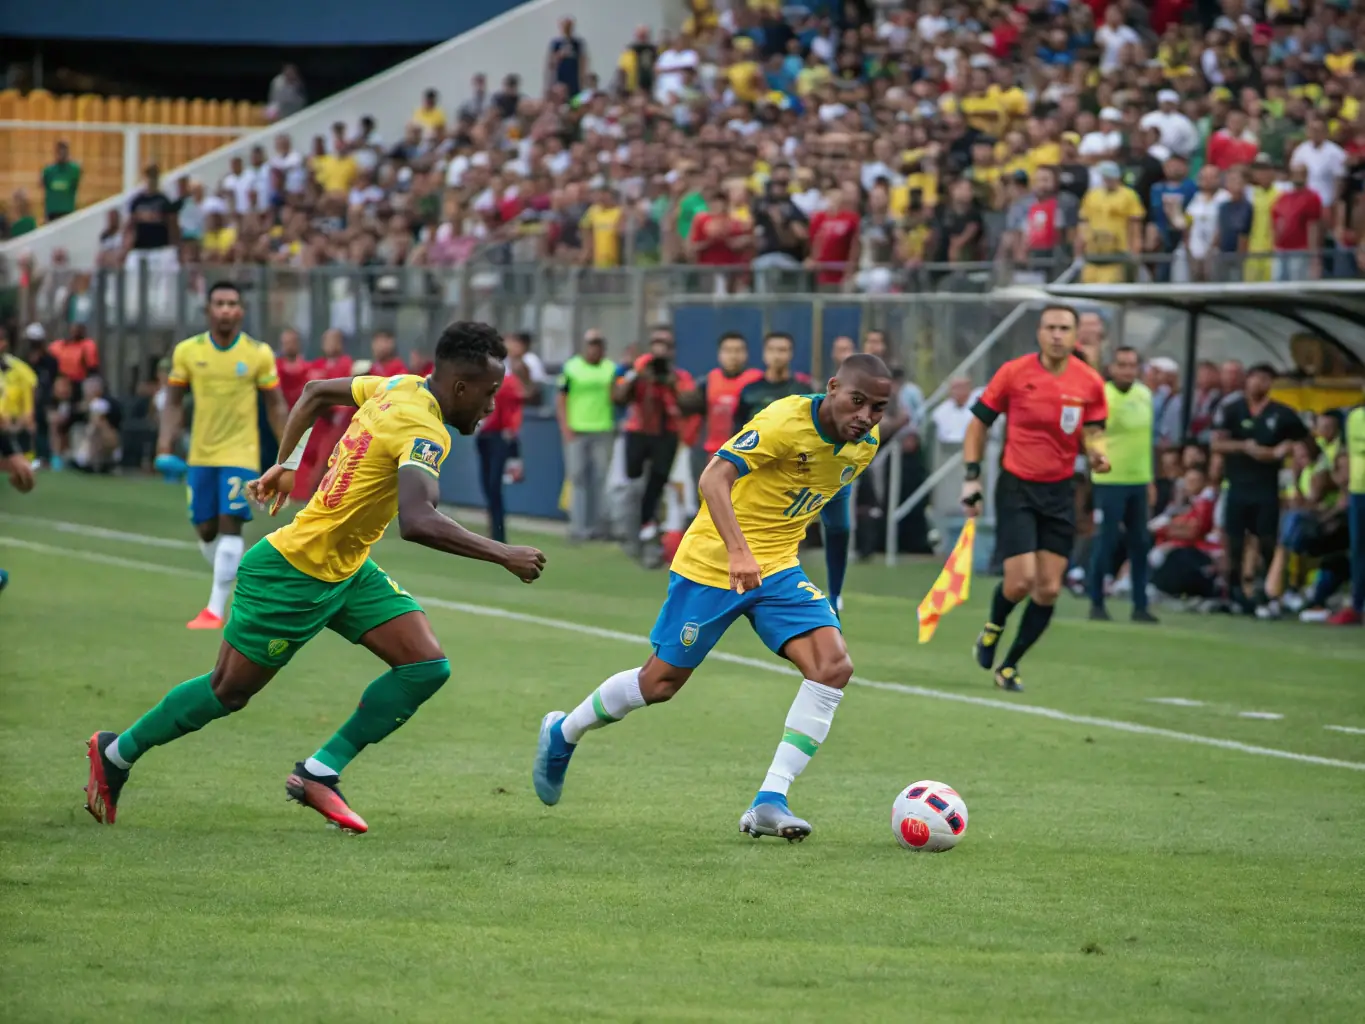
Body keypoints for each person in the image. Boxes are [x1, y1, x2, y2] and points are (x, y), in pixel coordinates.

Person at [84, 322, 547, 832]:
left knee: (425, 666)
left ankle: (319, 773)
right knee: (227, 692)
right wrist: (504, 553)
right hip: (294, 572)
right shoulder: (423, 430)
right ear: (461, 387)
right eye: (490, 393)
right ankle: (116, 751)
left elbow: (314, 393)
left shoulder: (399, 384)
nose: (491, 405)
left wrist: (287, 463)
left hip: (346, 567)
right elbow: (417, 521)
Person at [533, 355, 893, 841]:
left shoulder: (864, 443)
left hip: (779, 570)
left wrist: (838, 589)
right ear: (832, 388)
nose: (866, 416)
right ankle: (564, 732)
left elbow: (836, 508)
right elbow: (712, 478)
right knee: (659, 684)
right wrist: (739, 552)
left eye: (878, 408)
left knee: (833, 667)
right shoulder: (784, 421)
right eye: (858, 402)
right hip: (713, 563)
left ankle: (770, 800)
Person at [962, 306, 1109, 692]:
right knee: (1021, 580)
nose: (1057, 335)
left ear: (1076, 335)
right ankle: (993, 628)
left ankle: (1009, 666)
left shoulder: (1090, 382)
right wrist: (971, 477)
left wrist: (1098, 452)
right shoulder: (1014, 372)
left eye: (1065, 328)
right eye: (1050, 327)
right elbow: (978, 424)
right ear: (1039, 333)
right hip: (1017, 486)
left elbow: (1093, 430)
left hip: (1060, 490)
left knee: (1048, 589)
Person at [155, 282, 288, 630]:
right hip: (200, 453)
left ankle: (215, 610)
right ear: (208, 310)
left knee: (231, 522)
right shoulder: (187, 351)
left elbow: (276, 406)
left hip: (241, 453)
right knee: (206, 529)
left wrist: (288, 456)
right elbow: (172, 402)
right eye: (220, 303)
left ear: (241, 311)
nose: (226, 309)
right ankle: (246, 587)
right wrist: (165, 445)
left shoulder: (258, 353)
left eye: (232, 303)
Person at [1210, 364, 1308, 614]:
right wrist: (1246, 447)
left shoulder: (1283, 414)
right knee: (1234, 542)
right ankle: (1234, 594)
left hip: (1266, 487)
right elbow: (1217, 444)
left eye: (1265, 379)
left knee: (1267, 541)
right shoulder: (1232, 409)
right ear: (1247, 380)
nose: (1259, 384)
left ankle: (1271, 593)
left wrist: (1289, 453)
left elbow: (1305, 444)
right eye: (1255, 378)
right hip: (1237, 486)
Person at [612, 327, 700, 551]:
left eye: (666, 345)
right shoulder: (638, 371)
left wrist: (672, 384)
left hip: (666, 434)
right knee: (632, 479)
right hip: (638, 431)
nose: (660, 349)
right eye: (656, 343)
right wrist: (635, 374)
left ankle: (649, 528)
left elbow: (691, 404)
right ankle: (631, 528)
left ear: (672, 351)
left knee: (658, 483)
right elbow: (618, 398)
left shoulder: (679, 376)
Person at [1088, 346, 1157, 622]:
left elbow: (1145, 439)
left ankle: (1140, 606)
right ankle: (1096, 602)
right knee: (1106, 541)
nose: (1128, 370)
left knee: (1140, 543)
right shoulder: (1102, 396)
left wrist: (1150, 479)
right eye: (1122, 365)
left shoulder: (1144, 395)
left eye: (1132, 365)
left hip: (1138, 480)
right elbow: (1092, 433)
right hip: (1110, 480)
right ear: (1112, 368)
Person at [558, 330, 622, 541]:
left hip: (602, 428)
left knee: (601, 480)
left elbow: (616, 395)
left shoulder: (610, 369)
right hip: (577, 429)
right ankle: (578, 528)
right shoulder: (572, 367)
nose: (595, 348)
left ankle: (600, 527)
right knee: (578, 479)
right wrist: (565, 427)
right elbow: (561, 399)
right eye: (591, 344)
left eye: (598, 344)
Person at [476, 360, 526, 544]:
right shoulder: (482, 380)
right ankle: (493, 528)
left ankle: (498, 533)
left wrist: (511, 429)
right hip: (484, 436)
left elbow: (514, 409)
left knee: (494, 485)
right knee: (487, 485)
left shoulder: (509, 382)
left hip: (499, 437)